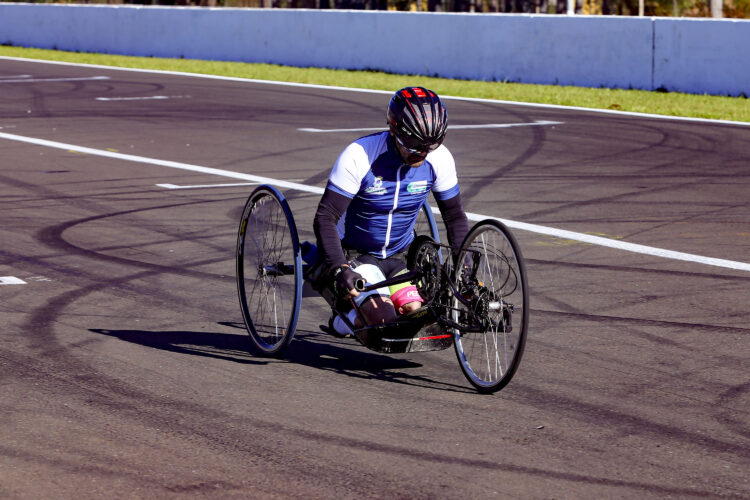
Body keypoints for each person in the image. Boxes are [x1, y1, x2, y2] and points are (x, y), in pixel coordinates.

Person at [313, 86, 470, 335]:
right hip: (357, 254)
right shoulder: (360, 155)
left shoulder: (439, 158)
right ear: (393, 129)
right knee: (384, 321)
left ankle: (381, 300)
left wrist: (465, 267)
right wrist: (340, 268)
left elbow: (454, 216)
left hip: (401, 256)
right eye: (414, 145)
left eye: (429, 146)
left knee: (419, 312)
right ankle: (342, 320)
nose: (422, 153)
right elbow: (325, 217)